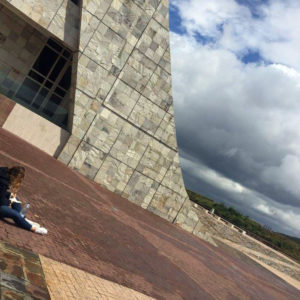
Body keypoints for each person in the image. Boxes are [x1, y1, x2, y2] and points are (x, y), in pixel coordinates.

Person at [0, 166, 47, 235]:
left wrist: (10, 196)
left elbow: (1, 193)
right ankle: (34, 229)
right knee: (14, 214)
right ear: (14, 177)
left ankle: (23, 219)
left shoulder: (3, 173)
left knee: (14, 198)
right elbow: (1, 201)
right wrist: (10, 202)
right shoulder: (3, 183)